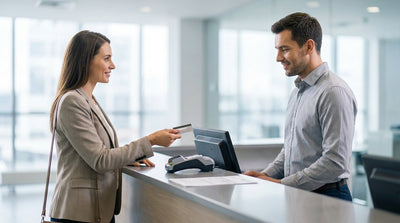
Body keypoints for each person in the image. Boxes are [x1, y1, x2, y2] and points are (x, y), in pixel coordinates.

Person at [48, 30, 181, 223]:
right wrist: (150, 141)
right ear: (86, 60)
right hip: (78, 213)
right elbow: (100, 160)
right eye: (107, 58)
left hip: (96, 210)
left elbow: (96, 153)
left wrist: (125, 159)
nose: (113, 65)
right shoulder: (72, 102)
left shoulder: (88, 100)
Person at [244, 12, 357, 201]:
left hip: (328, 197)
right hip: (299, 194)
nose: (278, 58)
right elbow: (290, 149)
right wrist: (266, 176)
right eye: (277, 50)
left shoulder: (333, 91)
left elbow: (334, 162)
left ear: (309, 46)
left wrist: (282, 184)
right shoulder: (298, 90)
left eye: (284, 49)